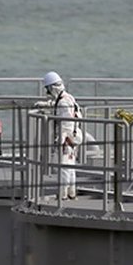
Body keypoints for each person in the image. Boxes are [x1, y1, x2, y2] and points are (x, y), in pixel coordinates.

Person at [42, 71, 82, 199]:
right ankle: (71, 192)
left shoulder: (63, 102)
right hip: (74, 137)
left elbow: (66, 123)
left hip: (68, 139)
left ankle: (63, 195)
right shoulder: (67, 98)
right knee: (70, 166)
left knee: (64, 167)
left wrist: (62, 140)